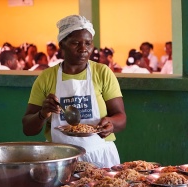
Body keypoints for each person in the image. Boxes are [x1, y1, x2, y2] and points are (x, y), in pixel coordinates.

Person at [22, 15, 126, 167]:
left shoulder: (102, 73)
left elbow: (121, 118)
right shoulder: (46, 78)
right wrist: (43, 113)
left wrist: (111, 124)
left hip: (100, 155)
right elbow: (27, 128)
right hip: (59, 157)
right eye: (76, 43)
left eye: (88, 43)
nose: (83, 48)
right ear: (62, 45)